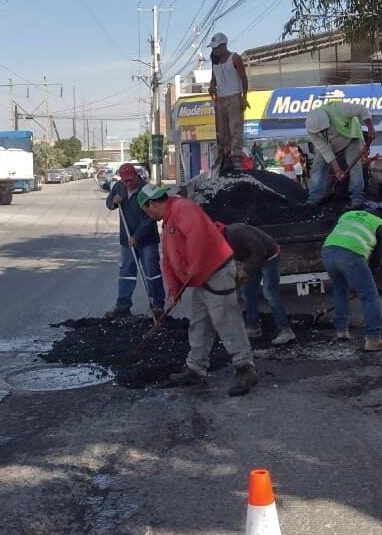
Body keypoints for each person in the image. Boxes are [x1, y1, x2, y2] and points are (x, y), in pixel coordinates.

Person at [137, 183, 258, 396]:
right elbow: (168, 261)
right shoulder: (167, 223)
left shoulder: (182, 208)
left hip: (216, 272)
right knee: (200, 323)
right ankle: (195, 368)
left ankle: (245, 367)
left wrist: (193, 266)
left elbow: (197, 236)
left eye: (146, 211)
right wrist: (174, 292)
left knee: (226, 320)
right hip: (201, 278)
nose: (147, 215)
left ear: (151, 204)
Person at [321, 208, 382, 352]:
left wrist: (354, 281)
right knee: (369, 295)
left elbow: (336, 233)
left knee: (340, 289)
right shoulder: (381, 226)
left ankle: (341, 331)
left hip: (328, 251)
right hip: (351, 254)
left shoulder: (347, 214)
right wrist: (370, 275)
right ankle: (373, 339)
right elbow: (376, 257)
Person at [104, 163, 165, 318]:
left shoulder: (146, 190)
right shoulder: (118, 187)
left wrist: (136, 237)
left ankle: (158, 305)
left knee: (152, 272)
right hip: (126, 240)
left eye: (131, 180)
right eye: (125, 181)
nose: (128, 183)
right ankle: (123, 306)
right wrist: (114, 201)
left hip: (147, 240)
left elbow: (150, 218)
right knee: (126, 273)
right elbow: (109, 203)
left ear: (136, 176)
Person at [220, 223, 296, 346]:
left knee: (270, 292)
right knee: (247, 292)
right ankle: (253, 327)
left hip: (269, 256)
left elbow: (260, 250)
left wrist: (245, 269)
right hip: (251, 258)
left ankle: (286, 331)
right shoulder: (220, 242)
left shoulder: (238, 233)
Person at [304, 102, 376, 206]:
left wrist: (370, 128)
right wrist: (337, 170)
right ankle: (313, 200)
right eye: (319, 132)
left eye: (324, 130)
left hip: (351, 138)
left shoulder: (339, 109)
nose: (322, 132)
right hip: (331, 144)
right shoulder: (312, 131)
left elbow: (362, 110)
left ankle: (357, 199)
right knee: (317, 167)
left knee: (355, 166)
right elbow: (326, 151)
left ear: (327, 121)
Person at [208, 32, 249, 174]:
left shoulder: (235, 58)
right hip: (220, 98)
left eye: (217, 47)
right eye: (213, 48)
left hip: (234, 97)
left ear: (224, 45)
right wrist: (212, 86)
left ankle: (237, 158)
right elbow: (214, 79)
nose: (214, 51)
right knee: (223, 131)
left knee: (235, 128)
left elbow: (244, 79)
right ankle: (225, 156)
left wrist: (244, 97)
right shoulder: (214, 62)